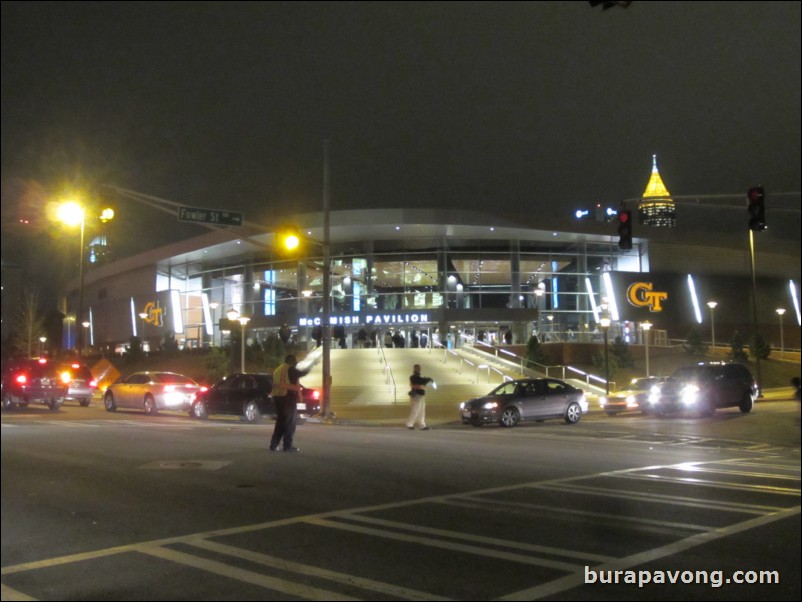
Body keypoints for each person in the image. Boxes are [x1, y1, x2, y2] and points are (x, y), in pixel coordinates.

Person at [270, 354, 311, 453]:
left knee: (280, 422)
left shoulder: (278, 370)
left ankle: (274, 445)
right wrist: (310, 367)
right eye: (294, 362)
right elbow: (301, 373)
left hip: (277, 397)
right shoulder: (290, 369)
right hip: (287, 398)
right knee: (289, 423)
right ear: (291, 362)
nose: (295, 365)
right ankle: (288, 446)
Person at [406, 364, 433, 431]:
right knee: (415, 410)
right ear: (414, 369)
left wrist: (426, 380)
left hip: (421, 395)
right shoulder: (413, 377)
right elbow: (420, 381)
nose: (418, 369)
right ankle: (409, 424)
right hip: (416, 395)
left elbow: (422, 382)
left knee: (421, 410)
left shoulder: (419, 377)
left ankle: (421, 424)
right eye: (417, 368)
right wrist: (428, 379)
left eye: (419, 368)